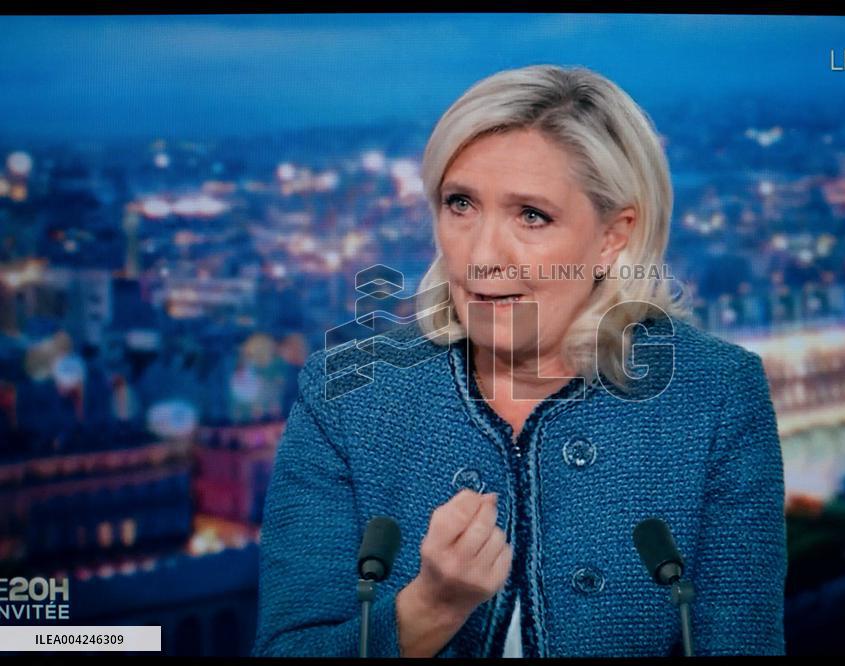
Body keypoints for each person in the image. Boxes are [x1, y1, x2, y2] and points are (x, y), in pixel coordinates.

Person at [252, 64, 786, 658]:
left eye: (531, 215)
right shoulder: (346, 396)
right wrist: (431, 609)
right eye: (460, 204)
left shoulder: (715, 394)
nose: (481, 255)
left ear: (613, 235)